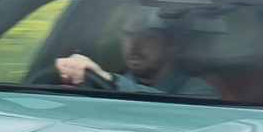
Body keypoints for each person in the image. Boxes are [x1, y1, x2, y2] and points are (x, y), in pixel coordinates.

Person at [55, 7, 218, 98]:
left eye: (146, 35)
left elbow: (172, 113)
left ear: (173, 44)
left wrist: (111, 82)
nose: (133, 44)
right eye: (127, 35)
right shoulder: (100, 83)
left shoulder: (198, 92)